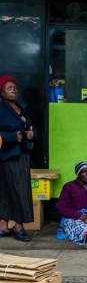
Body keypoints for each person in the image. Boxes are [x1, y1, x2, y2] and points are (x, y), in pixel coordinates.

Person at [0, 76, 35, 242]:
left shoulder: (20, 108)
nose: (13, 90)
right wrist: (12, 137)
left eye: (14, 87)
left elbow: (28, 126)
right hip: (8, 154)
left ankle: (5, 225)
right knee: (16, 190)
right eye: (9, 88)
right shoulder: (1, 108)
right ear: (1, 92)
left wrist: (31, 134)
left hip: (20, 154)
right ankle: (18, 226)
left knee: (12, 189)